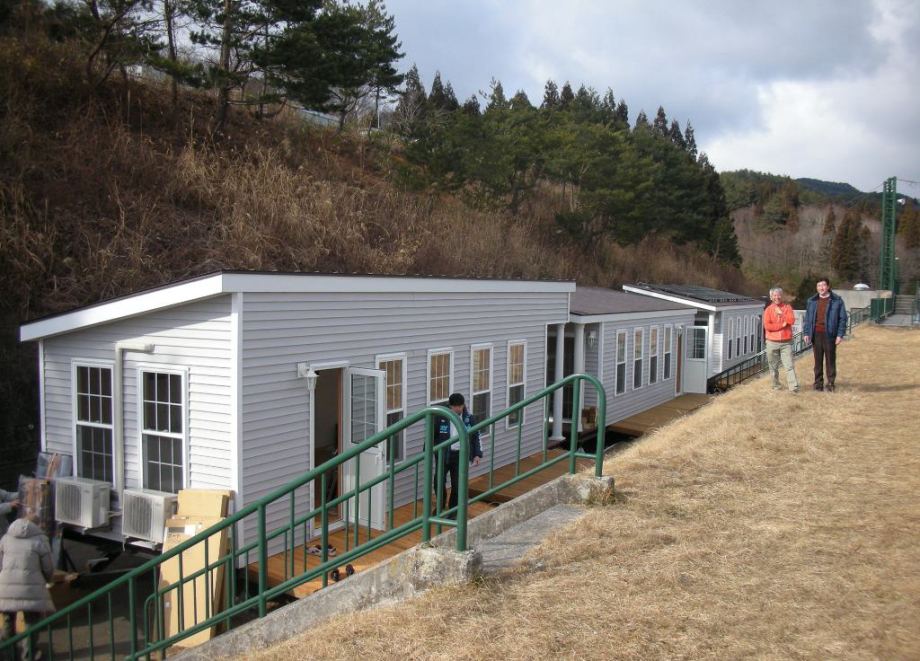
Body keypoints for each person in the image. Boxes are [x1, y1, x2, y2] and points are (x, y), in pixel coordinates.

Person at [0, 513, 55, 660]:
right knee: (31, 621)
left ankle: (8, 654)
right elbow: (48, 567)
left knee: (8, 620)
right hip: (31, 588)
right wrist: (46, 580)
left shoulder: (6, 538)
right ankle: (28, 654)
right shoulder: (41, 540)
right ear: (37, 525)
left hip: (6, 587)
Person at [432, 393, 483, 516]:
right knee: (438, 482)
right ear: (450, 406)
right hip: (443, 455)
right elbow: (432, 435)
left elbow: (476, 436)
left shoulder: (469, 419)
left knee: (457, 484)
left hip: (460, 456)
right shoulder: (440, 417)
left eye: (461, 406)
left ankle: (453, 510)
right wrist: (428, 451)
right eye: (456, 407)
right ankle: (440, 505)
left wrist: (477, 454)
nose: (459, 409)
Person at [803, 277, 848, 392]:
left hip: (830, 335)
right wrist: (806, 333)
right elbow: (807, 319)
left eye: (823, 285)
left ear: (828, 286)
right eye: (819, 286)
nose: (821, 288)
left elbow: (843, 319)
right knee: (817, 361)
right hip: (816, 334)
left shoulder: (837, 300)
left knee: (830, 360)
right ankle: (818, 385)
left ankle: (830, 384)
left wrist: (840, 335)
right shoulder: (812, 301)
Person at [763, 286, 799, 392]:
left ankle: (793, 387)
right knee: (773, 367)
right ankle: (776, 386)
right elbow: (768, 326)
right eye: (774, 295)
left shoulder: (787, 307)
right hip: (771, 342)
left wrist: (782, 314)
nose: (777, 297)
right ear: (771, 297)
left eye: (778, 295)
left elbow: (791, 320)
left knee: (789, 365)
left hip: (786, 342)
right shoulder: (768, 310)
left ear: (781, 296)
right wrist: (782, 325)